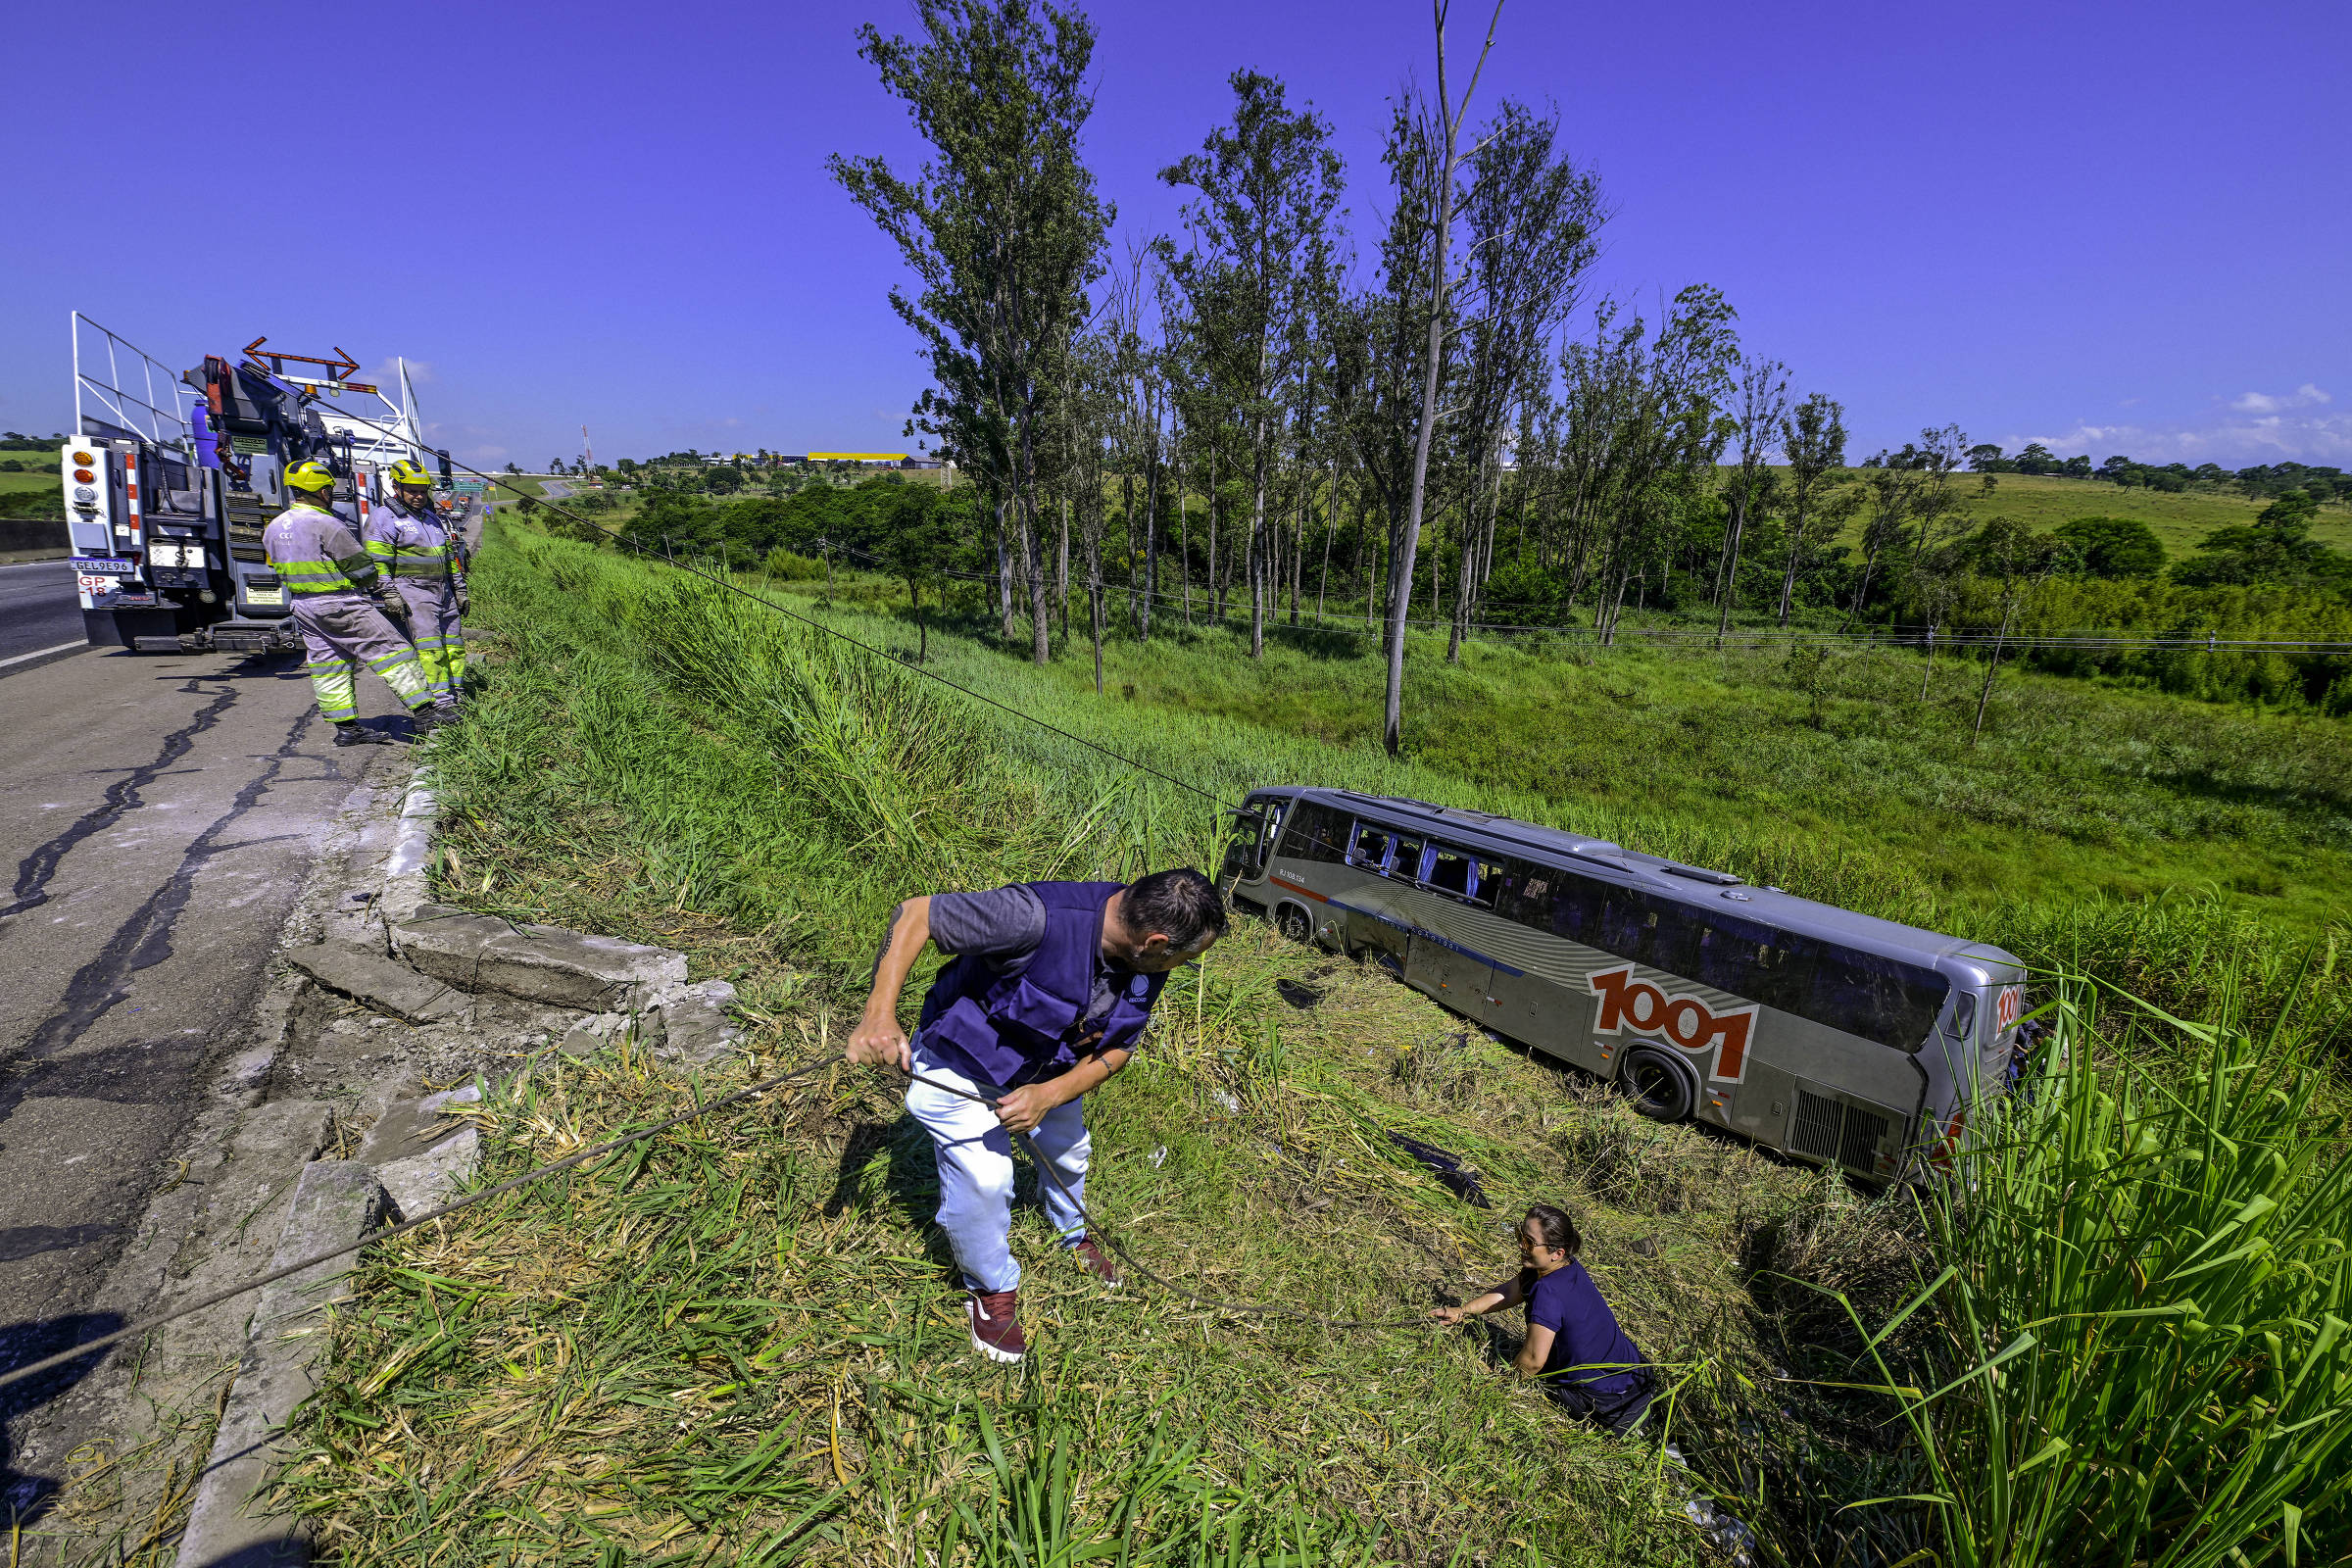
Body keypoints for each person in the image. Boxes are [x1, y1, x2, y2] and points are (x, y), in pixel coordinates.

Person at [846, 869, 1229, 1365]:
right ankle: (990, 1291)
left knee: (1070, 1153)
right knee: (985, 1180)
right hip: (961, 1064)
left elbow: (1117, 1050)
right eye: (1185, 957)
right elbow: (918, 913)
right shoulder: (1033, 917)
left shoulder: (1146, 960)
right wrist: (879, 1014)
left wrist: (1051, 1094)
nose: (1182, 966)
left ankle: (1073, 1231)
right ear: (1155, 940)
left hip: (1049, 1074)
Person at [263, 459, 450, 746]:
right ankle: (425, 713)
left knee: (329, 665)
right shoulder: (326, 523)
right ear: (323, 492)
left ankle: (347, 729)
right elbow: (361, 568)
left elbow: (274, 565)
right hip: (340, 602)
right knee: (394, 652)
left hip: (303, 606)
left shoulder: (274, 527)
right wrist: (380, 588)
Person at [1431, 1203, 1656, 1434]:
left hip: (1613, 1406)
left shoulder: (1548, 1292)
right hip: (1638, 1377)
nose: (1520, 1245)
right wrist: (1463, 1311)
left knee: (1549, 1378)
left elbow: (1533, 1360)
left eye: (1529, 1242)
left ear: (1556, 1253)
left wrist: (1502, 1383)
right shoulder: (1565, 1268)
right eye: (1520, 1235)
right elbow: (1511, 1291)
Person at [367, 458, 470, 709]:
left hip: (443, 592)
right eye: (413, 491)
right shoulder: (384, 518)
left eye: (423, 491)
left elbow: (449, 559)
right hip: (414, 592)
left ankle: (457, 692)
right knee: (431, 649)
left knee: (454, 648)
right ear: (396, 487)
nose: (419, 496)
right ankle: (442, 702)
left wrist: (460, 590)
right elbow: (378, 563)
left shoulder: (431, 518)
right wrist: (390, 595)